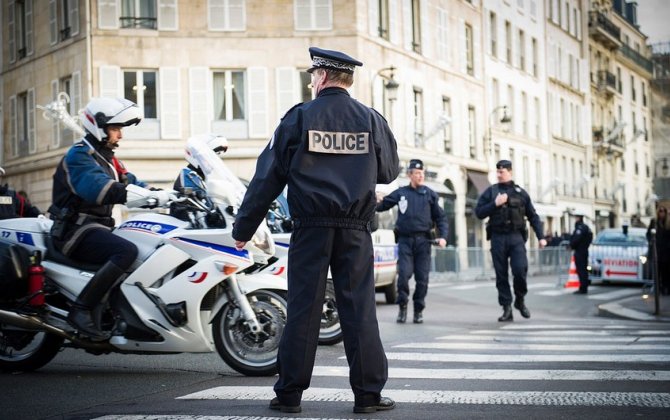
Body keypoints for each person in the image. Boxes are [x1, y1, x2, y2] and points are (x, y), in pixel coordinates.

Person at [232, 47, 399, 414]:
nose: (311, 81)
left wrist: (244, 226)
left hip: (310, 229)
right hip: (356, 229)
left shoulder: (299, 118)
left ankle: (289, 395)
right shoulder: (371, 119)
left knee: (304, 309)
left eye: (312, 76)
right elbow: (388, 172)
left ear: (321, 77)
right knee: (359, 311)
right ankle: (368, 396)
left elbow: (267, 178)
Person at [49, 97, 170, 340]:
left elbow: (133, 182)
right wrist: (136, 195)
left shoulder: (109, 160)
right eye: (115, 129)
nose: (120, 135)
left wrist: (167, 195)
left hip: (98, 228)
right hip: (76, 231)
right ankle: (81, 309)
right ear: (99, 126)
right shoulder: (79, 156)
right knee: (126, 252)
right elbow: (98, 189)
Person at [376, 159, 448, 324]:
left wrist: (443, 236)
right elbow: (382, 205)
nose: (420, 175)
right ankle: (402, 308)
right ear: (410, 175)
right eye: (417, 173)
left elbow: (441, 217)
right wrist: (375, 199)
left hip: (424, 242)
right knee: (403, 278)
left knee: (422, 279)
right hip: (405, 241)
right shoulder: (401, 193)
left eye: (422, 173)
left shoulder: (430, 194)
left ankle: (418, 310)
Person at [474, 159, 547, 322]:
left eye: (502, 171)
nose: (499, 174)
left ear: (510, 172)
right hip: (498, 237)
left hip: (516, 237)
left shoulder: (520, 193)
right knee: (501, 275)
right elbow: (478, 212)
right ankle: (507, 308)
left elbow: (533, 216)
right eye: (497, 171)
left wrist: (541, 237)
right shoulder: (491, 192)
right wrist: (495, 204)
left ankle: (520, 300)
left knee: (520, 270)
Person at [647, 205, 670, 295]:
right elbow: (648, 234)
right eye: (660, 211)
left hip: (666, 252)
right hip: (656, 251)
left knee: (666, 272)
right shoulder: (654, 222)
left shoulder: (668, 222)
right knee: (657, 271)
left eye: (663, 211)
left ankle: (666, 288)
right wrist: (651, 242)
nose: (661, 213)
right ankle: (658, 288)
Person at [569, 213, 593, 294]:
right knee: (584, 269)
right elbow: (590, 236)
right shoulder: (586, 227)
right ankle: (584, 286)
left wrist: (571, 245)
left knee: (581, 270)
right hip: (584, 250)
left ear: (578, 218)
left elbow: (576, 239)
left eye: (576, 217)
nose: (575, 219)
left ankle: (583, 288)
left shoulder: (580, 227)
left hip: (580, 251)